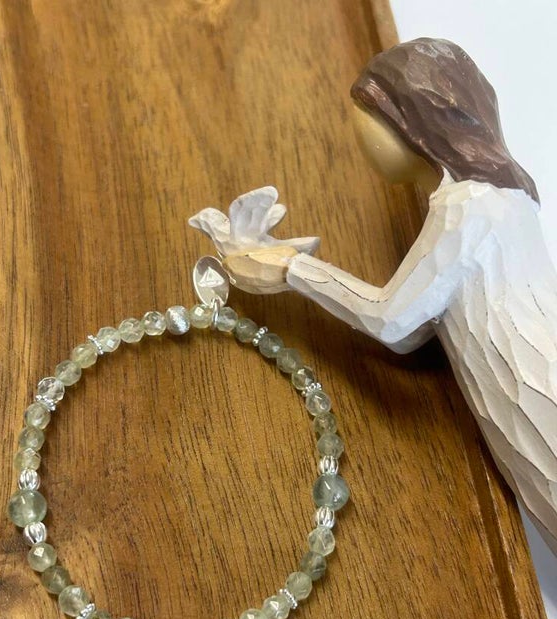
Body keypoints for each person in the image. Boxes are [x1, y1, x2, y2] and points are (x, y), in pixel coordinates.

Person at [189, 38, 557, 553]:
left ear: (411, 122)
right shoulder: (511, 200)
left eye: (369, 116)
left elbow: (392, 321)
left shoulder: (466, 206)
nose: (361, 135)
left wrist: (290, 267)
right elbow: (415, 329)